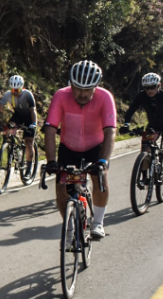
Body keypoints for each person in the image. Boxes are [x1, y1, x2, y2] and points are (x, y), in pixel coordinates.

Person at [43, 60, 115, 239]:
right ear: (71, 84)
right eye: (78, 88)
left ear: (96, 87)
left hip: (95, 147)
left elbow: (110, 131)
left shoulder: (105, 97)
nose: (82, 94)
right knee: (61, 187)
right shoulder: (61, 96)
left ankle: (98, 222)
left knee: (100, 178)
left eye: (88, 89)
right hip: (69, 147)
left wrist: (103, 161)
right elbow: (51, 128)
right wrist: (51, 161)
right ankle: (69, 224)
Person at [119, 73, 163, 180]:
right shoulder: (142, 96)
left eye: (152, 87)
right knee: (145, 150)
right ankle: (144, 176)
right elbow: (131, 110)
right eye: (146, 88)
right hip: (153, 127)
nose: (149, 90)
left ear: (159, 85)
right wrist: (126, 124)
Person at [0, 75, 38, 177]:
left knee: (29, 142)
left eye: (17, 90)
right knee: (8, 127)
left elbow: (33, 110)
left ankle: (29, 169)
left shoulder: (28, 94)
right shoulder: (8, 94)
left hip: (29, 118)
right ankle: (9, 148)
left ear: (22, 87)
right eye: (13, 90)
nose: (15, 92)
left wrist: (34, 123)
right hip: (18, 116)